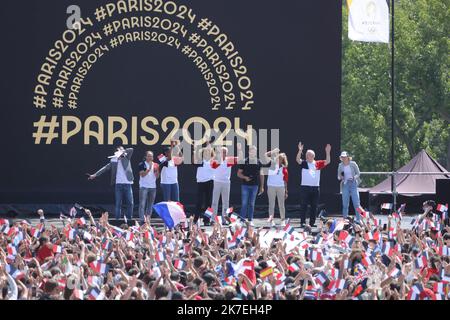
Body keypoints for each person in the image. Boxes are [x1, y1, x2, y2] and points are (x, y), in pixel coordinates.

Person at [87, 146, 134, 220]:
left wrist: (122, 151)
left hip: (128, 183)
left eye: (122, 150)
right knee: (118, 203)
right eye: (119, 150)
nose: (121, 151)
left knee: (130, 203)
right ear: (116, 152)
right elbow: (105, 168)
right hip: (118, 184)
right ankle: (117, 220)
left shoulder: (126, 157)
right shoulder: (113, 160)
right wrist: (95, 175)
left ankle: (129, 219)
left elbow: (131, 149)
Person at [296, 142, 331, 228]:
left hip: (315, 188)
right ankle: (303, 222)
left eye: (310, 155)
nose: (308, 157)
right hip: (305, 187)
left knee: (314, 206)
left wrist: (327, 152)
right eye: (307, 155)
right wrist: (300, 151)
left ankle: (312, 222)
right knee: (303, 205)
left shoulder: (317, 163)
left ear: (313, 156)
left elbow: (328, 161)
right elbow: (297, 160)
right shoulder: (304, 163)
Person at [211, 143, 242, 218]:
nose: (223, 153)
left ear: (227, 153)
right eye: (222, 152)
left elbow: (240, 158)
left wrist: (239, 149)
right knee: (214, 202)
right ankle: (213, 218)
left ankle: (225, 218)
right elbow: (211, 164)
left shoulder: (229, 160)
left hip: (226, 183)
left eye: (225, 152)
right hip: (217, 182)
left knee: (226, 202)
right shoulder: (216, 160)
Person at [237, 146, 266, 226]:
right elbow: (238, 173)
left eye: (254, 151)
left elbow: (262, 174)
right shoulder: (244, 161)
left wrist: (262, 186)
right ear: (249, 152)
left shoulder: (258, 162)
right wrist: (245, 177)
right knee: (244, 203)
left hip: (255, 186)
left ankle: (250, 220)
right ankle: (242, 220)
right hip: (245, 185)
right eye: (251, 151)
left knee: (251, 203)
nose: (253, 153)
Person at [265, 149, 289, 227]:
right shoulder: (272, 163)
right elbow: (265, 155)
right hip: (271, 186)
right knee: (271, 204)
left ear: (283, 160)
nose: (279, 160)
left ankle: (283, 220)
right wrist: (273, 151)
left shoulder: (284, 168)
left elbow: (285, 181)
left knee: (281, 204)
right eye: (279, 158)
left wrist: (286, 191)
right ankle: (271, 220)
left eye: (281, 159)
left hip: (281, 187)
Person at [193, 143, 215, 225]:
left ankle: (207, 220)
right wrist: (195, 151)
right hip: (200, 183)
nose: (207, 153)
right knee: (199, 202)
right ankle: (195, 220)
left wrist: (209, 145)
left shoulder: (213, 162)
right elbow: (194, 161)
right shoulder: (200, 161)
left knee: (208, 203)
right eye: (205, 152)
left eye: (208, 152)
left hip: (210, 182)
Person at [337, 151, 361, 222]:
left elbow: (358, 173)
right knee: (345, 204)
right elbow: (338, 176)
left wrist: (354, 177)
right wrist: (341, 177)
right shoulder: (340, 165)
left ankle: (358, 219)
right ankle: (345, 219)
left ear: (348, 157)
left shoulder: (353, 164)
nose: (343, 158)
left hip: (353, 183)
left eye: (344, 157)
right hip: (345, 184)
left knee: (356, 203)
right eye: (342, 157)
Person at [138, 151, 159, 223]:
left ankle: (148, 220)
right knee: (142, 204)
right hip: (144, 186)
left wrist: (157, 172)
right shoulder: (142, 164)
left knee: (150, 205)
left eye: (152, 156)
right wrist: (149, 169)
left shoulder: (156, 165)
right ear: (146, 157)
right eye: (149, 156)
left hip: (153, 187)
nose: (150, 158)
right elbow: (142, 175)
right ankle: (141, 220)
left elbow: (157, 177)